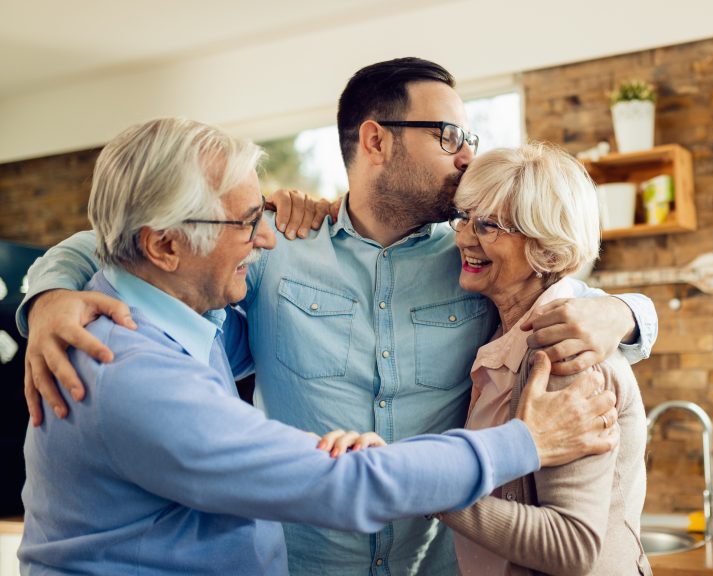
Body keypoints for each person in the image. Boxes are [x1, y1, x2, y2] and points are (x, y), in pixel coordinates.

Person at [18, 58, 659, 576]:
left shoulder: (473, 260)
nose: (465, 156)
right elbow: (115, 241)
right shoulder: (272, 249)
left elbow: (557, 285)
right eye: (449, 136)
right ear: (376, 139)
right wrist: (47, 297)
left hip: (437, 565)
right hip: (305, 560)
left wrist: (625, 314)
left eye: (470, 139)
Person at [432, 143, 652, 576]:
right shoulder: (504, 336)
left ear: (548, 251)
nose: (463, 237)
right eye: (463, 217)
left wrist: (428, 488)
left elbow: (571, 546)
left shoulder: (565, 358)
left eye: (488, 225)